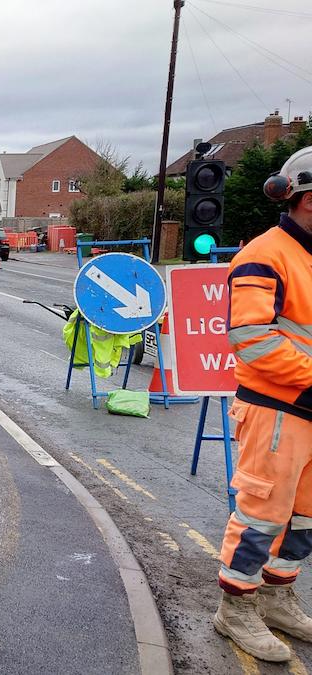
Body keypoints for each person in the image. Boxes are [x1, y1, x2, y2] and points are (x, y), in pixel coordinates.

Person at [215, 146, 312, 663]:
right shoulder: (264, 254)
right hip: (278, 409)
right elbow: (252, 338)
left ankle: (276, 599)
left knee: (304, 519)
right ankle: (235, 608)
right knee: (262, 515)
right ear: (307, 199)